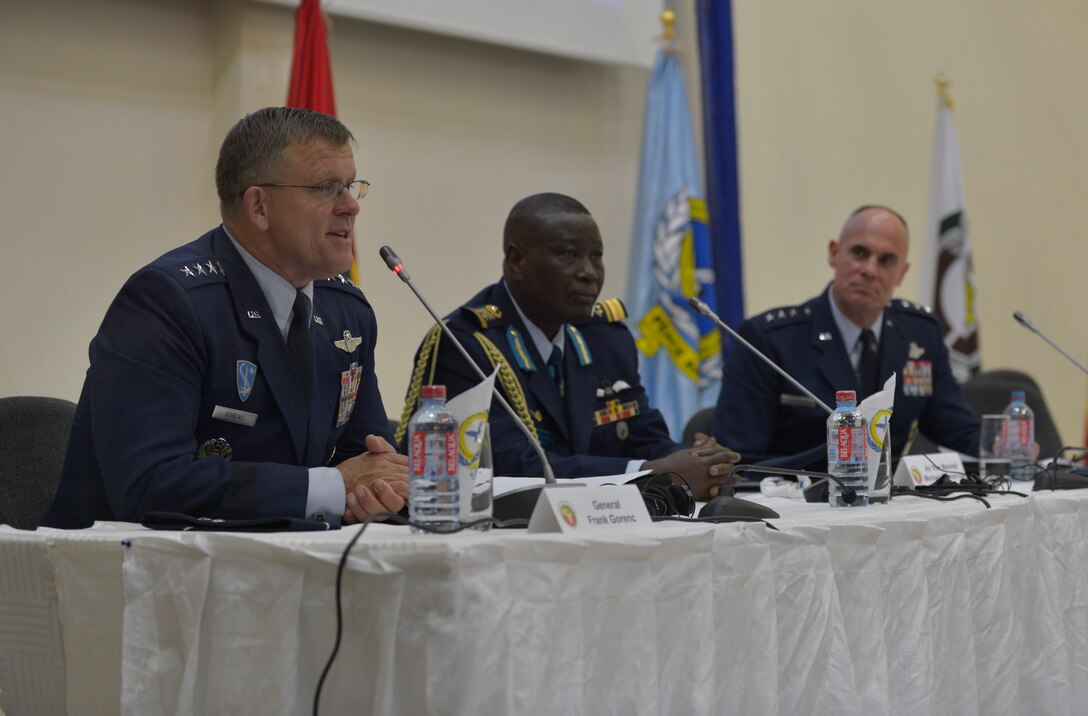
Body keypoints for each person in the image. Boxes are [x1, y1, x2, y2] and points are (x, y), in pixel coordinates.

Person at [43, 107, 408, 529]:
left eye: (351, 186)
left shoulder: (347, 311)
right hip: (126, 576)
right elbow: (149, 485)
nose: (350, 207)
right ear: (259, 207)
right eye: (326, 188)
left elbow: (367, 460)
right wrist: (330, 488)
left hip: (281, 565)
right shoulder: (167, 303)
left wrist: (376, 495)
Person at [397, 192, 739, 500]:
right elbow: (508, 465)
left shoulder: (606, 339)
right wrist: (653, 472)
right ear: (517, 262)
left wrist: (701, 462)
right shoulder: (467, 345)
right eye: (568, 255)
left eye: (596, 256)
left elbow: (643, 437)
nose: (589, 273)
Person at [713, 205, 980, 467]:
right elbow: (738, 460)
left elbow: (958, 430)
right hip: (798, 503)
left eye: (886, 260)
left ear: (902, 273)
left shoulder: (920, 334)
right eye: (860, 253)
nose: (870, 270)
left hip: (890, 505)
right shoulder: (769, 340)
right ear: (834, 253)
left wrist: (1009, 447)